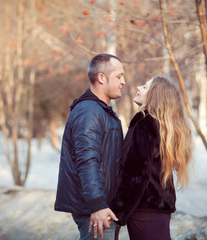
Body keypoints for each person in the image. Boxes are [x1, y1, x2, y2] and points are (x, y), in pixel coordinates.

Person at [110, 76, 193, 240]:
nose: (139, 87)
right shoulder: (159, 126)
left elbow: (136, 174)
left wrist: (116, 210)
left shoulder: (145, 124)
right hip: (158, 210)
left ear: (155, 95)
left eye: (145, 86)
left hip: (145, 211)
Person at [54, 53, 125, 240]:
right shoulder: (89, 112)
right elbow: (86, 161)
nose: (123, 81)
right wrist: (97, 205)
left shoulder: (101, 111)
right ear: (102, 78)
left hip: (105, 207)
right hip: (96, 210)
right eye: (119, 76)